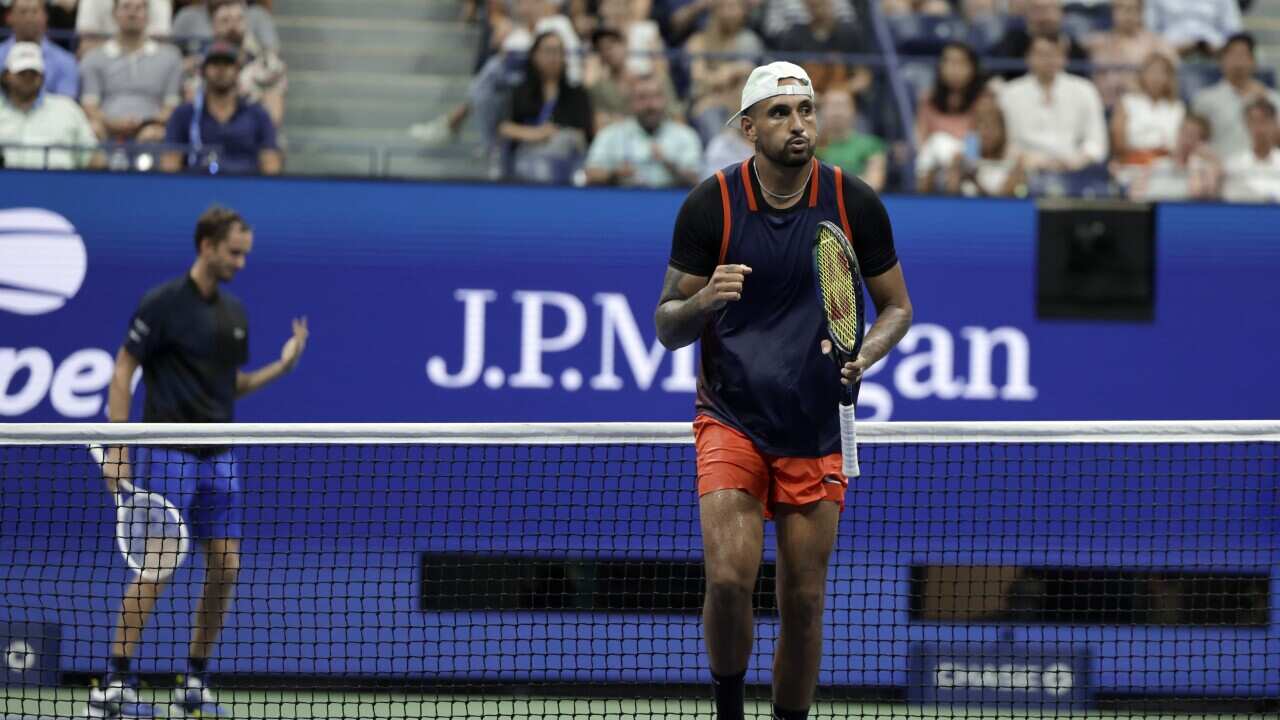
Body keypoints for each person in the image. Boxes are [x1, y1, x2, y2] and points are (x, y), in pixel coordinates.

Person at [655, 61, 912, 720]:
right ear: (748, 128)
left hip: (815, 427)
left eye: (805, 110)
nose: (798, 124)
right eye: (779, 112)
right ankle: (730, 710)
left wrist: (866, 355)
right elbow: (665, 326)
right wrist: (705, 300)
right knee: (731, 581)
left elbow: (896, 309)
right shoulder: (710, 203)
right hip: (731, 415)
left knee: (802, 603)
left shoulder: (854, 202)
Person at [88, 206, 309, 720]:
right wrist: (118, 445)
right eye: (235, 252)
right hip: (168, 452)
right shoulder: (162, 304)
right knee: (159, 564)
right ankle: (114, 681)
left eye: (245, 254)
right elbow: (123, 373)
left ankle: (194, 678)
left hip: (221, 456)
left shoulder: (234, 314)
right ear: (206, 245)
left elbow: (233, 387)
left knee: (227, 565)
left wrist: (284, 364)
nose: (241, 262)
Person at [161, 41, 282, 175]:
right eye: (215, 64)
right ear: (203, 71)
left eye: (227, 64)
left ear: (238, 71)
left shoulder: (258, 114)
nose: (221, 69)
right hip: (196, 186)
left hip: (246, 187)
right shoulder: (183, 115)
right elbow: (170, 162)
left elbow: (270, 162)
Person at [997, 34, 1108, 174]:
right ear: (1028, 57)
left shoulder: (1085, 90)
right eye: (1041, 54)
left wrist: (1077, 160)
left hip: (1075, 169)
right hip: (1023, 169)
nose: (1048, 60)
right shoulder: (1009, 93)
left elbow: (1097, 142)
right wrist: (1032, 161)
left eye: (1055, 54)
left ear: (1065, 58)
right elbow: (1005, 142)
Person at [79, 0, 183, 142]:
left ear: (148, 15)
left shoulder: (171, 57)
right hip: (107, 130)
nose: (132, 13)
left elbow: (171, 105)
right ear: (114, 14)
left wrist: (148, 124)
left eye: (138, 8)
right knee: (92, 130)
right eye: (126, 7)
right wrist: (112, 124)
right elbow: (90, 105)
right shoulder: (93, 58)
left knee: (161, 134)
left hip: (153, 130)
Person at [498, 31, 593, 183]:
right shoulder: (519, 92)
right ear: (535, 55)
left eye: (558, 52)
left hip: (565, 167)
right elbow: (504, 127)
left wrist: (559, 135)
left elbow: (584, 133)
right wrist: (535, 134)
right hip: (524, 167)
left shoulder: (577, 94)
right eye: (548, 51)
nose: (554, 57)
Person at [584, 72, 702, 187]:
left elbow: (697, 180)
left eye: (655, 97)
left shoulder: (685, 135)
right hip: (623, 202)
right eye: (642, 98)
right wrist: (614, 174)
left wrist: (669, 164)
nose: (650, 105)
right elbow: (590, 174)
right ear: (631, 101)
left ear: (665, 100)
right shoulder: (611, 134)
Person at [0, 42, 101, 169]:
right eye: (22, 73)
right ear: (6, 76)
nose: (28, 78)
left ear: (42, 77)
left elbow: (94, 158)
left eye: (34, 73)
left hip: (61, 185)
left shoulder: (67, 108)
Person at [1191, 33, 1280, 164]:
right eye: (1233, 55)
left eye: (1243, 55)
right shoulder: (1205, 100)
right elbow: (1195, 142)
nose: (1238, 62)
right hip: (1221, 173)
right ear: (1221, 60)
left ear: (1253, 62)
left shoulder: (1272, 99)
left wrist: (1266, 110)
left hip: (1264, 173)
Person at [1083, 0, 1175, 109]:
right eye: (1121, 8)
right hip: (1102, 107)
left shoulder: (1156, 44)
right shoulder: (1096, 43)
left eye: (1132, 9)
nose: (1127, 14)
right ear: (1113, 11)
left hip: (1141, 109)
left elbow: (1172, 70)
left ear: (1140, 12)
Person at [1110, 52, 1184, 167]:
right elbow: (1118, 144)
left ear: (1169, 78)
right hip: (1133, 164)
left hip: (1168, 166)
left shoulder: (1177, 107)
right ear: (1142, 74)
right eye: (1152, 71)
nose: (1156, 77)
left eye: (1162, 73)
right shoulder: (1127, 102)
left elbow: (1180, 144)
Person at [0, 0, 79, 98]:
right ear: (9, 17)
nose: (29, 18)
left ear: (45, 16)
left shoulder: (66, 61)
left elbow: (66, 103)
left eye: (34, 11)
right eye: (23, 12)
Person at [815, 87, 886, 191]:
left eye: (842, 105)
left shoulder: (872, 145)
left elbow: (875, 183)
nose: (837, 112)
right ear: (821, 111)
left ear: (854, 110)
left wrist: (831, 183)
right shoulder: (811, 147)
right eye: (831, 106)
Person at [1223, 98, 1280, 202]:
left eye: (1264, 121)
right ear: (1247, 125)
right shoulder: (1234, 165)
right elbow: (1232, 198)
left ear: (1274, 123)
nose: (1259, 128)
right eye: (1253, 121)